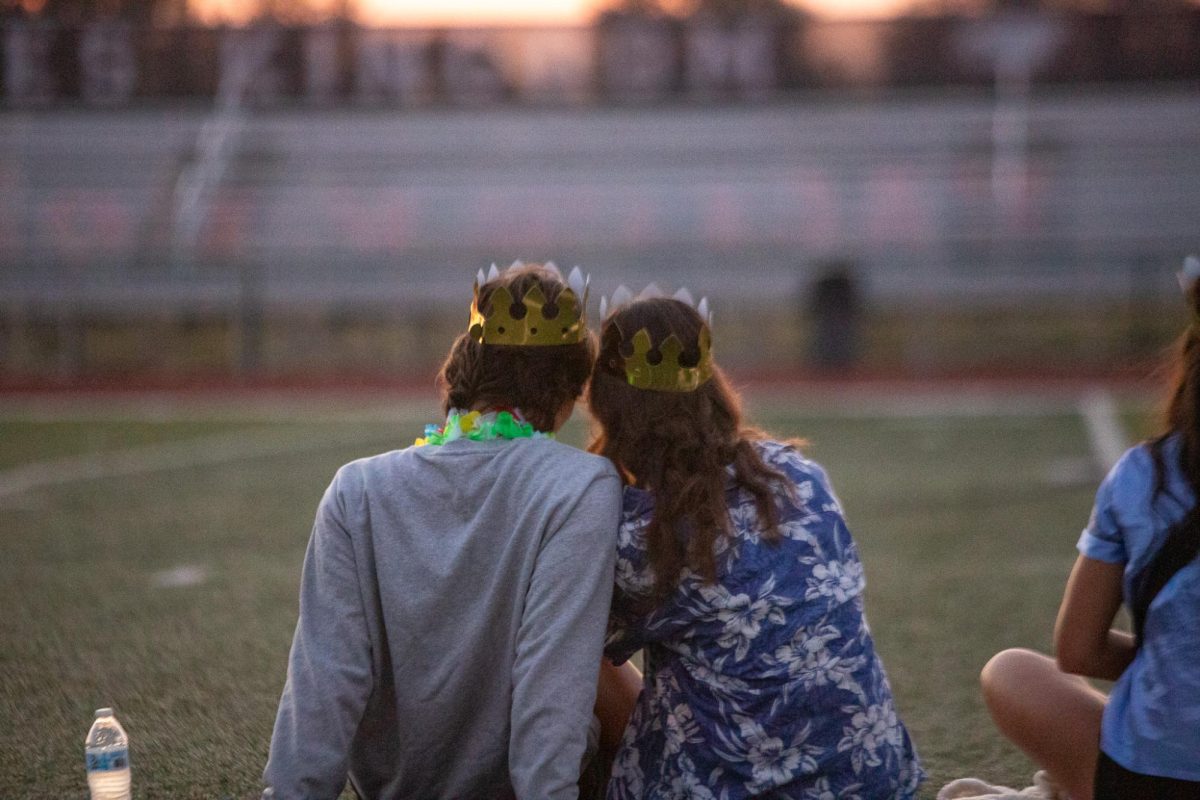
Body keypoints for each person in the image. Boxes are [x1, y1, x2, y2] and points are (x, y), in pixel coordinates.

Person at [262, 263, 622, 800]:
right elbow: (552, 689)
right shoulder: (582, 486)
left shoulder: (355, 488)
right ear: (570, 390)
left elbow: (325, 684)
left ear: (464, 367)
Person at [586, 289, 923, 800]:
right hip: (873, 781)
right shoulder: (799, 476)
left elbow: (559, 646)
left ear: (607, 403)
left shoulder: (639, 535)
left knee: (565, 651)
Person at [980, 261, 1200, 800]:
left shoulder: (1142, 477)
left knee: (1011, 671)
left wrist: (1170, 657)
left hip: (1150, 781)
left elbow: (1077, 650)